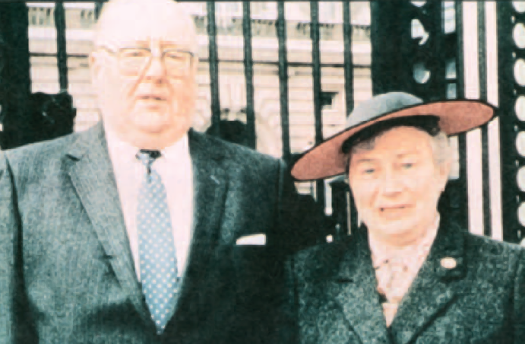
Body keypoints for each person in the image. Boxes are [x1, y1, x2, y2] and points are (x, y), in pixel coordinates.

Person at [0, 0, 321, 342]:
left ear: (195, 69)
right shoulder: (22, 180)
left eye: (174, 55)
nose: (155, 71)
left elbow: (289, 325)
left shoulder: (260, 179)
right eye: (135, 54)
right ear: (97, 68)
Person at [286, 92, 525, 343]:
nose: (390, 188)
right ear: (350, 183)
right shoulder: (308, 275)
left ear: (442, 171)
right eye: (369, 170)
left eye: (407, 165)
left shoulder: (508, 273)